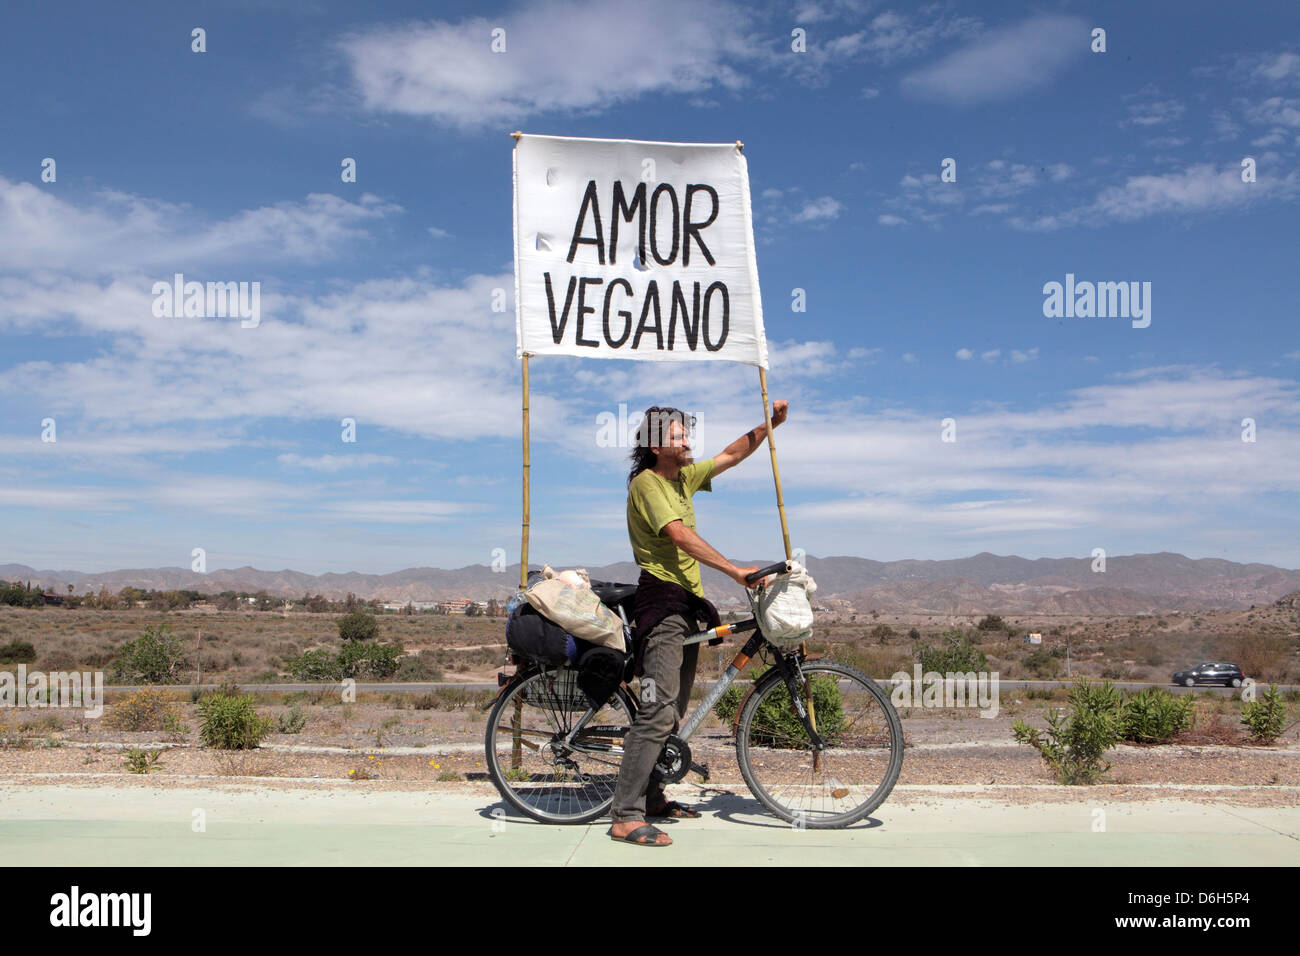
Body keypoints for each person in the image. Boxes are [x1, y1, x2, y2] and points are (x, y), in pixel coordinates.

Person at [608, 399, 789, 846]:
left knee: (673, 710)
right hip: (662, 606)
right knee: (656, 710)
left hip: (686, 605)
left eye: (688, 433)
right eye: (678, 435)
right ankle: (624, 815)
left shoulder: (684, 478)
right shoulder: (647, 484)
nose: (688, 441)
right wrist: (736, 571)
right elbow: (679, 536)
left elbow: (731, 454)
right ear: (654, 445)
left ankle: (651, 798)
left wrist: (766, 426)